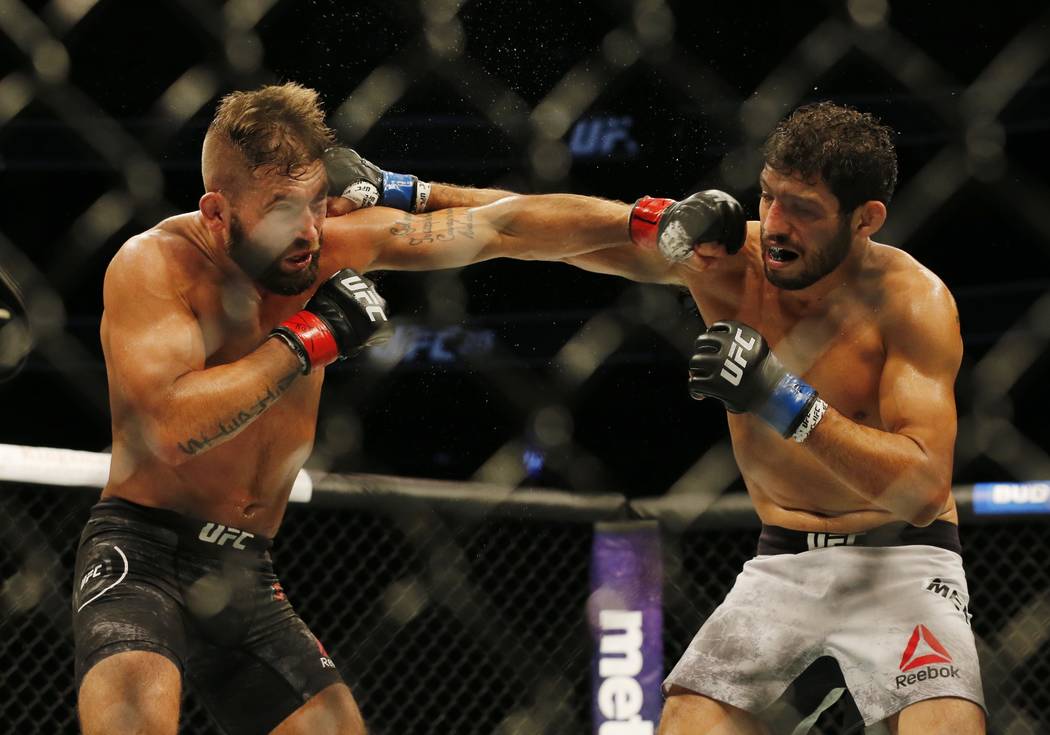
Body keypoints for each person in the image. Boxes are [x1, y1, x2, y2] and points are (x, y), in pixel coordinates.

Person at [72, 82, 739, 735]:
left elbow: (503, 225)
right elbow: (170, 430)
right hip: (143, 554)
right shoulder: (155, 266)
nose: (307, 230)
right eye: (280, 210)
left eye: (316, 202)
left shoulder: (329, 245)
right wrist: (307, 339)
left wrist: (644, 220)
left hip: (248, 567)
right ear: (217, 214)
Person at [560, 102, 985, 734]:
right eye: (768, 197)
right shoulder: (729, 257)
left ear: (866, 219)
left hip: (905, 559)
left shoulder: (913, 301)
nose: (776, 223)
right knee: (687, 723)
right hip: (785, 561)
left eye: (804, 209)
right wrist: (422, 194)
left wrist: (783, 398)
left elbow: (923, 490)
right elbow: (537, 228)